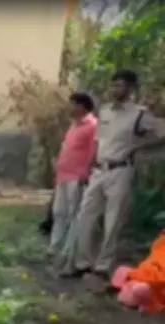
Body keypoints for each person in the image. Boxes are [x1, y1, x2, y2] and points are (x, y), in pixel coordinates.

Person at [67, 69, 165, 283]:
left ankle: (102, 267)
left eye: (120, 85)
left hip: (121, 171)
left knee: (113, 221)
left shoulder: (140, 114)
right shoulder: (105, 111)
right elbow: (99, 140)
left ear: (131, 89)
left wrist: (141, 147)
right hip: (99, 170)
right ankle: (82, 263)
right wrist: (90, 164)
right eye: (113, 85)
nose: (115, 89)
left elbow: (161, 132)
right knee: (85, 217)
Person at [49, 92, 98, 266]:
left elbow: (93, 151)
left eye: (73, 105)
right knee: (59, 212)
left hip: (77, 176)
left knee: (73, 213)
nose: (69, 108)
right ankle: (54, 246)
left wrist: (86, 173)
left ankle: (68, 250)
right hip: (63, 174)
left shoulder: (92, 125)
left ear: (82, 107)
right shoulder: (74, 125)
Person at [111, 232, 165, 314]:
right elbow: (147, 264)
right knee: (122, 270)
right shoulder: (161, 244)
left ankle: (146, 305)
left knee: (140, 288)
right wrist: (135, 274)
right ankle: (126, 291)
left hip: (156, 289)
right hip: (144, 278)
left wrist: (135, 275)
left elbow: (160, 278)